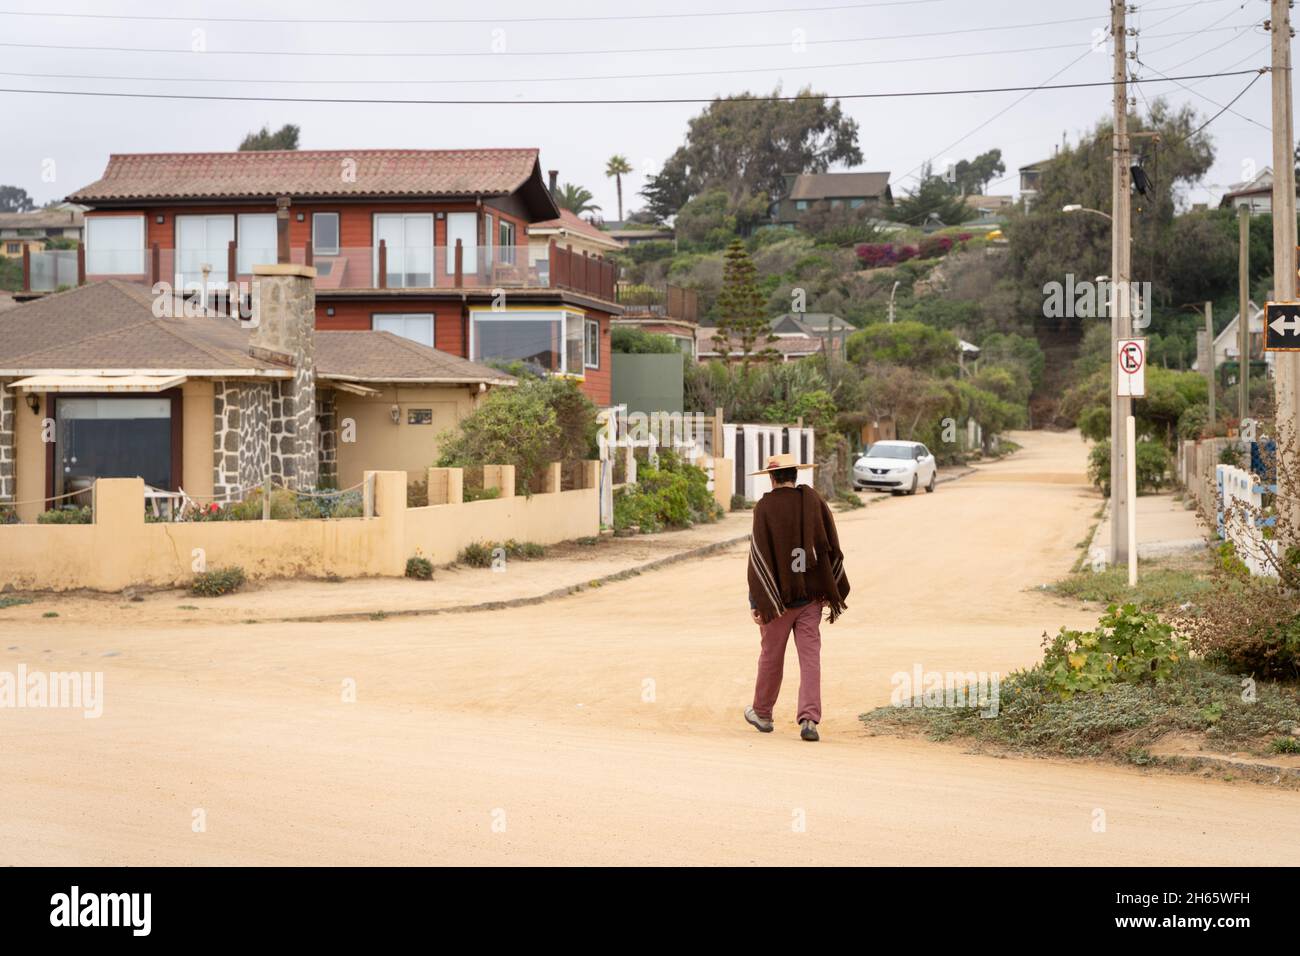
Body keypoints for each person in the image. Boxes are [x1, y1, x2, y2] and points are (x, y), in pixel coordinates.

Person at [743, 453, 850, 742]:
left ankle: (762, 714)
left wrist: (757, 601)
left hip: (777, 601)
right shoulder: (813, 501)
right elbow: (830, 546)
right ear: (795, 476)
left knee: (771, 657)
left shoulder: (764, 507)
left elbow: (759, 558)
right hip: (811, 599)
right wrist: (828, 588)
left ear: (771, 477)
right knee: (810, 658)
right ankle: (809, 720)